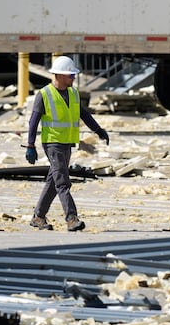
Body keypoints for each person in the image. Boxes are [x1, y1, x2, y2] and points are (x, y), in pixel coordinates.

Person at [25, 55, 109, 232]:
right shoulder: (44, 94)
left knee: (53, 181)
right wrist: (30, 145)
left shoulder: (73, 93)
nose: (73, 78)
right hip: (52, 143)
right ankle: (71, 219)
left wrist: (99, 130)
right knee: (63, 182)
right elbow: (33, 122)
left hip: (68, 143)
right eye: (71, 75)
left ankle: (38, 217)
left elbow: (83, 114)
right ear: (60, 75)